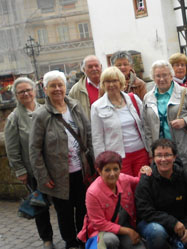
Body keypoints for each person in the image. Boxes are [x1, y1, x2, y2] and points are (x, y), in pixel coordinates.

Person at [30, 70, 93, 249]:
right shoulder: (41, 115)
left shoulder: (74, 106)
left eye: (61, 85)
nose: (58, 89)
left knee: (83, 207)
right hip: (57, 174)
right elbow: (34, 150)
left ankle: (82, 239)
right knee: (64, 212)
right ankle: (70, 242)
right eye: (53, 86)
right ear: (45, 89)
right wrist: (42, 176)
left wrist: (93, 164)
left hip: (81, 170)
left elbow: (87, 134)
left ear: (66, 87)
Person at [5, 77, 54, 249]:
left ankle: (70, 235)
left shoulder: (46, 109)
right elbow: (11, 148)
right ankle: (47, 239)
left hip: (54, 168)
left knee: (63, 205)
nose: (26, 94)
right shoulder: (14, 118)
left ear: (34, 90)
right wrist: (20, 170)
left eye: (28, 90)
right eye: (21, 92)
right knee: (40, 207)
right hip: (33, 171)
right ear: (16, 96)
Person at [136, 139, 187, 249]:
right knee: (157, 232)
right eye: (159, 155)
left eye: (168, 155)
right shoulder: (147, 179)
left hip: (182, 222)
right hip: (154, 223)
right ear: (153, 158)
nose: (163, 159)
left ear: (174, 157)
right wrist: (173, 223)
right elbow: (144, 211)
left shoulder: (185, 177)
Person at [77, 151, 151, 249]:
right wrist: (128, 231)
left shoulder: (124, 179)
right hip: (102, 232)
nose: (112, 174)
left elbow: (139, 181)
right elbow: (99, 224)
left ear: (120, 168)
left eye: (115, 169)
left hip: (124, 227)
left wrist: (144, 170)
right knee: (110, 240)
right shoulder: (92, 192)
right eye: (107, 170)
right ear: (99, 171)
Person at [141, 60, 187, 178]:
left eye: (165, 75)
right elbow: (147, 127)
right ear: (153, 77)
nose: (161, 79)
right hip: (161, 155)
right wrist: (151, 152)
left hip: (184, 151)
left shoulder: (185, 93)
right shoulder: (148, 98)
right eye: (158, 76)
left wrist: (185, 121)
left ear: (171, 75)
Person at [90, 67, 148, 177]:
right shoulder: (97, 107)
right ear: (103, 84)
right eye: (107, 81)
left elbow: (145, 125)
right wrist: (101, 162)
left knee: (143, 187)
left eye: (114, 81)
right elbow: (97, 138)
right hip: (117, 157)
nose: (111, 84)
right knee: (125, 190)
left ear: (120, 82)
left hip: (141, 152)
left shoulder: (133, 99)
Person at [69, 55, 102, 119]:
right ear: (84, 70)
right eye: (90, 67)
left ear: (101, 67)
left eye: (96, 66)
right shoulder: (75, 90)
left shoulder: (111, 84)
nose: (94, 69)